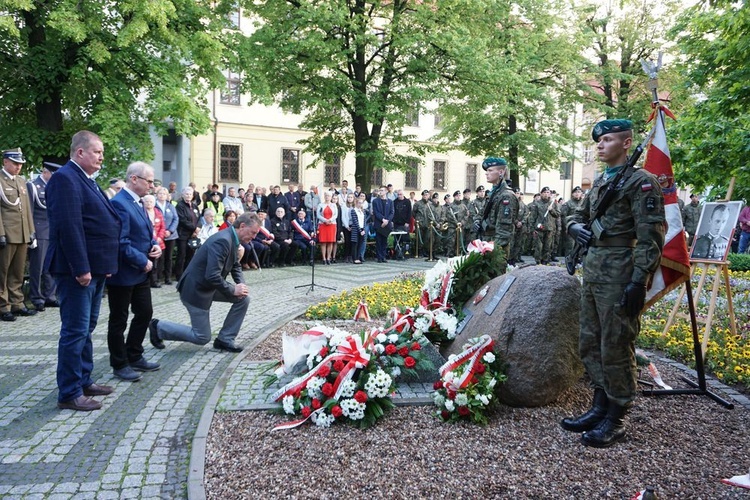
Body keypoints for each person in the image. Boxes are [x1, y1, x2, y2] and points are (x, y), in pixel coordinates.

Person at [561, 119, 665, 448]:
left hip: (621, 270)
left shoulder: (641, 183)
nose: (600, 145)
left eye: (607, 140)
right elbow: (575, 214)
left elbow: (651, 237)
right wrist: (574, 228)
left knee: (616, 344)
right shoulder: (600, 184)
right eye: (599, 141)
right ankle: (599, 406)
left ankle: (616, 418)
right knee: (590, 341)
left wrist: (639, 281)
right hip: (594, 270)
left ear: (626, 143)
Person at [46, 130, 121, 411]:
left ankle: (83, 380)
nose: (102, 156)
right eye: (97, 152)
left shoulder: (85, 179)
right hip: (77, 270)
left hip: (95, 268)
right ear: (80, 153)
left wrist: (105, 265)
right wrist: (81, 267)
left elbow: (99, 222)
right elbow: (69, 227)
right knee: (75, 331)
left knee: (86, 328)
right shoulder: (66, 179)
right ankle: (69, 392)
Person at [148, 212, 261, 353]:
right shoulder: (223, 240)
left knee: (243, 299)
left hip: (209, 286)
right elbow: (212, 275)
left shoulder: (232, 237)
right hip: (196, 290)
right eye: (253, 233)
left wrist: (241, 286)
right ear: (242, 226)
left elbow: (235, 264)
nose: (254, 237)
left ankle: (225, 339)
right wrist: (233, 290)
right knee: (202, 337)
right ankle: (158, 326)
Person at [106, 162, 162, 382]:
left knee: (145, 312)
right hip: (124, 273)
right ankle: (119, 364)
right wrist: (142, 261)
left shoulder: (137, 202)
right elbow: (121, 241)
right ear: (134, 179)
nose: (152, 185)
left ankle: (135, 354)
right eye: (148, 180)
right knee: (118, 320)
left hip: (140, 272)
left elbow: (142, 233)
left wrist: (153, 244)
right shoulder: (119, 203)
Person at [0, 148, 37, 322]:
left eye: (20, 164)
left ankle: (17, 303)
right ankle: (3, 306)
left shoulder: (21, 182)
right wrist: (0, 233)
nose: (18, 167)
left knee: (18, 272)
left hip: (22, 234)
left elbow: (27, 210)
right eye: (15, 163)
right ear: (5, 161)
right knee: (3, 271)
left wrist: (31, 231)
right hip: (7, 233)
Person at [27, 161, 62, 312]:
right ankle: (37, 297)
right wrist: (31, 233)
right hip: (39, 231)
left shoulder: (56, 187)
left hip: (52, 232)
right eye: (53, 174)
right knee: (38, 267)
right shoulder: (34, 186)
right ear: (45, 172)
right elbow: (29, 211)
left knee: (51, 266)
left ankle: (50, 296)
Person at [473, 157, 518, 272]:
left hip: (496, 249)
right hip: (486, 243)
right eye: (486, 171)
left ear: (501, 172)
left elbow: (504, 230)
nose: (487, 174)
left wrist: (492, 250)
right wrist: (477, 221)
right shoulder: (494, 193)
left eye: (490, 170)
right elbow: (481, 214)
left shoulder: (506, 196)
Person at [527, 186, 559, 265]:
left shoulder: (553, 204)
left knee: (547, 246)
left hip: (549, 228)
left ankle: (545, 261)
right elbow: (532, 217)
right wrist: (532, 229)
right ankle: (538, 261)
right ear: (541, 194)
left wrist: (551, 210)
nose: (546, 194)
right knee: (538, 247)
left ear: (550, 194)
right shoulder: (537, 203)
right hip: (539, 228)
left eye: (548, 192)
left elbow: (557, 215)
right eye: (544, 192)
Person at [174, 186, 200, 280]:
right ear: (183, 195)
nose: (188, 196)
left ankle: (188, 273)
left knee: (191, 254)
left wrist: (197, 229)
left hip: (193, 235)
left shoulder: (194, 205)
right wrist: (194, 228)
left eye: (190, 194)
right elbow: (182, 220)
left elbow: (199, 218)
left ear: (192, 196)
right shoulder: (180, 206)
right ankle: (179, 275)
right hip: (183, 234)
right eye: (186, 194)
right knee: (182, 254)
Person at [154, 186, 178, 285]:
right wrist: (162, 232)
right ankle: (158, 278)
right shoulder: (154, 205)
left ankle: (168, 278)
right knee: (159, 257)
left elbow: (176, 219)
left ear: (167, 195)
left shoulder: (170, 206)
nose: (162, 195)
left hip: (170, 235)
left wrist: (170, 230)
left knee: (169, 257)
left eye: (164, 194)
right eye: (160, 193)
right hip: (158, 236)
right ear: (156, 195)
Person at [143, 194, 166, 288]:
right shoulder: (142, 212)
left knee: (158, 262)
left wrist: (160, 237)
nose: (149, 203)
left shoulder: (158, 212)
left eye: (151, 201)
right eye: (147, 201)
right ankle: (148, 281)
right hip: (147, 240)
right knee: (149, 262)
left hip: (159, 241)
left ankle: (156, 280)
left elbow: (163, 226)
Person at [559, 186, 585, 257]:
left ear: (581, 194)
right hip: (571, 228)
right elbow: (563, 217)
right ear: (572, 194)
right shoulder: (568, 204)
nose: (577, 194)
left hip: (581, 228)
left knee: (580, 246)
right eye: (575, 192)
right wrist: (566, 227)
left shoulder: (584, 203)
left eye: (579, 192)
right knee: (570, 246)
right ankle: (569, 261)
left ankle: (578, 261)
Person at [371, 185, 394, 263]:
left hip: (387, 224)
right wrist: (382, 219)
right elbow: (376, 212)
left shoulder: (390, 202)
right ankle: (379, 257)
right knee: (379, 241)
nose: (380, 192)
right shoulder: (375, 201)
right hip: (379, 224)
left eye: (382, 190)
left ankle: (384, 256)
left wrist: (387, 221)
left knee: (384, 241)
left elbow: (392, 212)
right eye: (380, 190)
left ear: (386, 191)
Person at [317, 191, 338, 265]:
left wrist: (330, 220)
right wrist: (325, 220)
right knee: (323, 242)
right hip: (323, 225)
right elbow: (318, 215)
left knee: (330, 241)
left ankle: (329, 258)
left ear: (331, 197)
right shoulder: (320, 205)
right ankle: (324, 258)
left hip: (332, 225)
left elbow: (335, 215)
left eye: (328, 196)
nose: (327, 197)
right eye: (326, 195)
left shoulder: (334, 205)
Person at [412, 190, 431, 257]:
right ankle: (418, 251)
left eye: (427, 195)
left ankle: (424, 251)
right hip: (419, 223)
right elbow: (413, 213)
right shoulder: (417, 203)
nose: (426, 196)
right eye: (424, 195)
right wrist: (418, 219)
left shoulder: (430, 203)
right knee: (419, 238)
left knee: (426, 238)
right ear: (422, 196)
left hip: (427, 224)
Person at [350, 199, 367, 264]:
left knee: (360, 243)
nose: (360, 204)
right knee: (355, 244)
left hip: (362, 229)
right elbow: (355, 221)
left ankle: (358, 257)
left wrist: (364, 230)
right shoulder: (353, 210)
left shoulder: (363, 211)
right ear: (356, 203)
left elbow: (364, 221)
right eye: (359, 203)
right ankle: (354, 258)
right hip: (356, 229)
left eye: (361, 203)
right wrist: (360, 230)